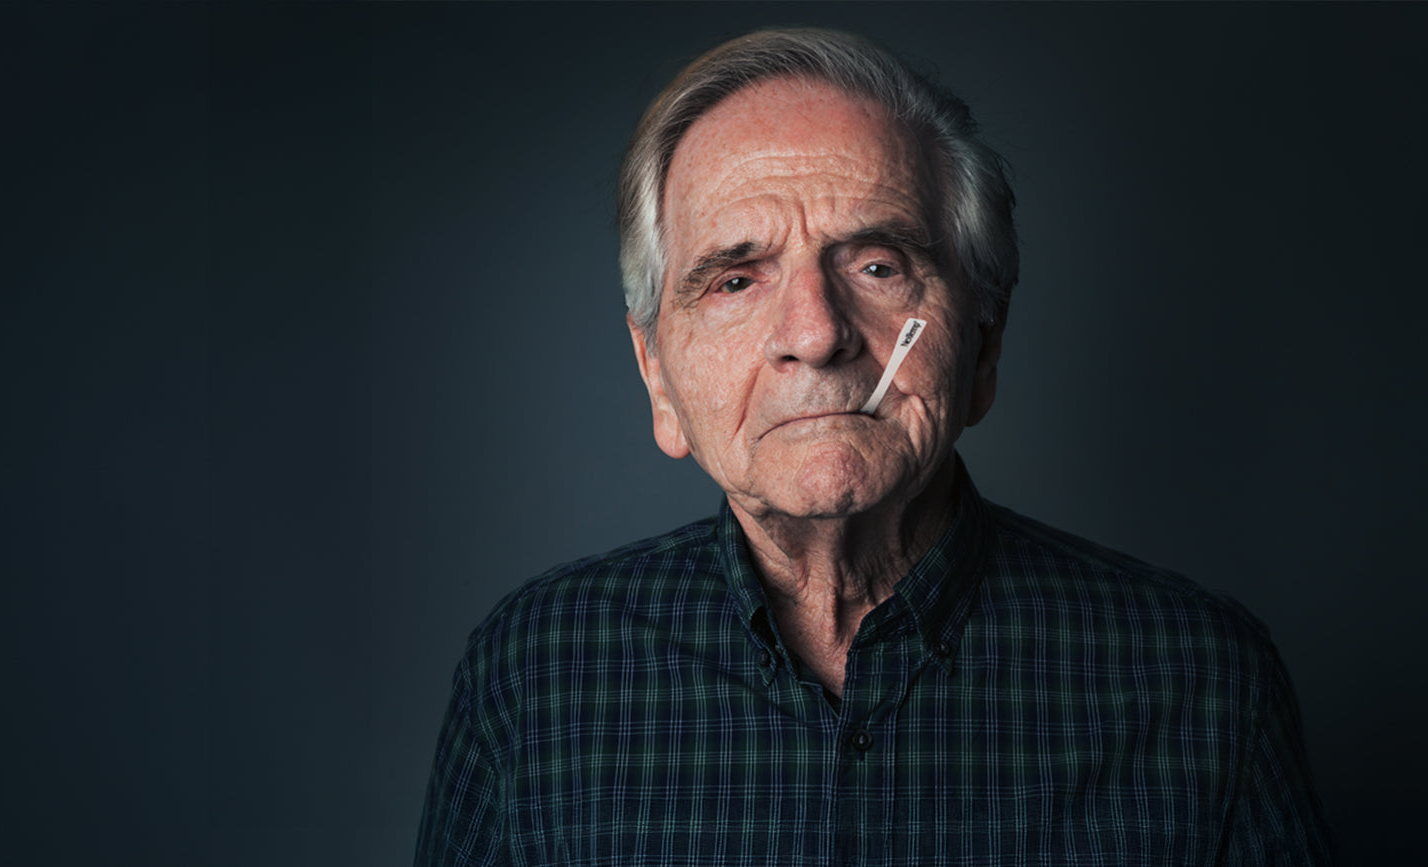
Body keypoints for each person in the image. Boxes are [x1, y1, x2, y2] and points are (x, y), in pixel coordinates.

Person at [415, 28, 1332, 866]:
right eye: (735, 279)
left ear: (983, 344)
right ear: (657, 376)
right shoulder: (534, 680)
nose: (815, 334)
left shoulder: (1203, 685)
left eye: (878, 266)